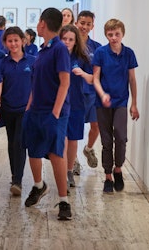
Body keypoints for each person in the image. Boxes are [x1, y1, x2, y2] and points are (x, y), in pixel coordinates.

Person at [21, 7, 72, 221]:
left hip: (54, 112)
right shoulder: (42, 51)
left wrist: (55, 113)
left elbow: (65, 82)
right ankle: (39, 186)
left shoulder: (59, 48)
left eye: (38, 22)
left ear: (42, 23)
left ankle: (64, 202)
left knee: (55, 154)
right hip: (36, 111)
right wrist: (29, 107)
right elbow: (35, 84)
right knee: (33, 151)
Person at [91, 18, 138, 193]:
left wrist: (134, 103)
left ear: (122, 34)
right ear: (106, 35)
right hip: (103, 103)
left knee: (120, 136)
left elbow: (132, 79)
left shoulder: (129, 54)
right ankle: (108, 176)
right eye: (110, 34)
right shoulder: (101, 53)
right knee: (105, 140)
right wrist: (102, 94)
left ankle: (118, 169)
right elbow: (95, 78)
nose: (113, 37)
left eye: (117, 34)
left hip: (121, 102)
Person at [0, 27, 35, 196]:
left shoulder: (32, 61)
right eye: (9, 41)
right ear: (5, 43)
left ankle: (17, 180)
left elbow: (35, 86)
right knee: (12, 144)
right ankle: (14, 176)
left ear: (23, 41)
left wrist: (31, 106)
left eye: (16, 40)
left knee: (19, 142)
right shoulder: (2, 63)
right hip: (8, 109)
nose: (13, 44)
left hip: (25, 110)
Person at [59, 25, 93, 190]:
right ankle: (63, 173)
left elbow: (94, 79)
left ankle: (70, 170)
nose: (67, 42)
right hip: (59, 104)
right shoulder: (55, 56)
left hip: (77, 103)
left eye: (70, 39)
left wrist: (84, 74)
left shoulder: (83, 58)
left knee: (73, 140)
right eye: (64, 39)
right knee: (63, 140)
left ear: (75, 41)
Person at [76, 11, 103, 169]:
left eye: (88, 24)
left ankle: (88, 149)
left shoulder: (97, 48)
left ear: (92, 26)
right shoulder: (70, 44)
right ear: (76, 23)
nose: (84, 26)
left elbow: (100, 72)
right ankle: (73, 161)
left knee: (96, 126)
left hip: (92, 94)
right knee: (73, 130)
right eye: (82, 23)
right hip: (75, 93)